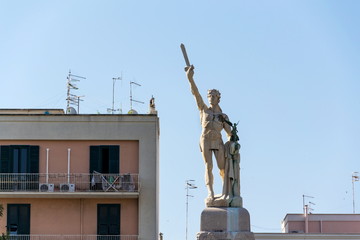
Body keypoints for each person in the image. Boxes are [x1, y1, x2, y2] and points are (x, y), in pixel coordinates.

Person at [185, 65, 232, 199]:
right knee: (208, 166)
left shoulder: (223, 116)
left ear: (218, 98)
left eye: (213, 95)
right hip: (205, 139)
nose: (210, 97)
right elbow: (196, 94)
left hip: (217, 140)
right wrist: (190, 78)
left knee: (222, 167)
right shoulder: (204, 109)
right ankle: (210, 192)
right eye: (209, 95)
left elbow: (230, 133)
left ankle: (225, 191)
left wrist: (232, 144)